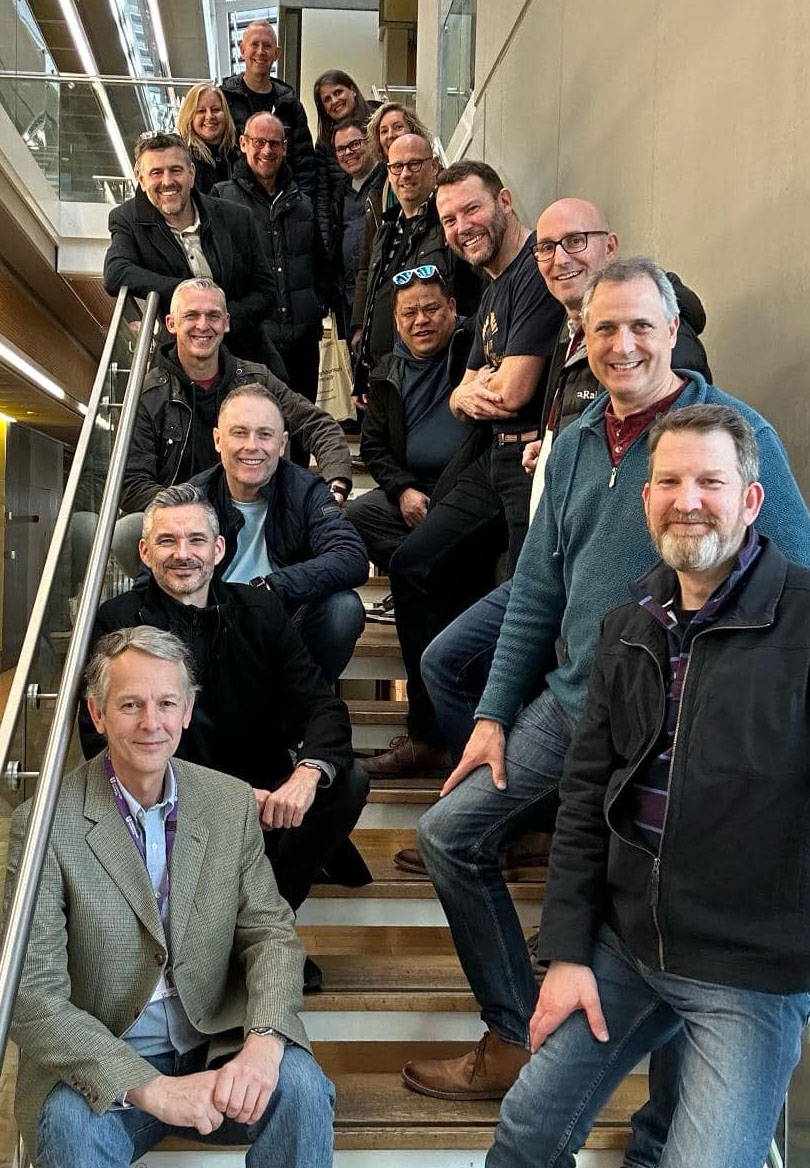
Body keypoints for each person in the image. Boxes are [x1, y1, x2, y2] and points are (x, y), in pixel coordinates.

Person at [401, 259, 810, 1156]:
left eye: (640, 327)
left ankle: (664, 1131)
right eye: (602, 330)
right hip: (583, 697)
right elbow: (537, 591)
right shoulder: (581, 438)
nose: (621, 345)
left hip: (700, 724)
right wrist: (493, 715)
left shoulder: (740, 440)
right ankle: (515, 1026)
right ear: (579, 343)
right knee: (449, 834)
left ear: (672, 333)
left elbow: (790, 583)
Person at [487, 405, 810, 1168]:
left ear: (751, 502)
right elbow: (584, 796)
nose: (686, 499)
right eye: (668, 481)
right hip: (627, 947)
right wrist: (566, 951)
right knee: (526, 1130)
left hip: (749, 974)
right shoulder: (627, 625)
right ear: (645, 499)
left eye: (710, 481)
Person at [6, 626, 334, 1168]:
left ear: (187, 711)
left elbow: (270, 935)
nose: (151, 723)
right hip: (107, 1058)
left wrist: (264, 1041)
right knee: (67, 1126)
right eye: (130, 704)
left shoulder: (227, 803)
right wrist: (146, 1087)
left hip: (214, 1044)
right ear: (96, 713)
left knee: (301, 1089)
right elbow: (32, 995)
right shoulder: (44, 825)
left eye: (165, 703)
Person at [422, 197, 711, 762]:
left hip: (619, 598)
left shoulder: (672, 357)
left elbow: (670, 437)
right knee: (447, 659)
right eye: (546, 249)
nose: (558, 259)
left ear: (610, 245)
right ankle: (506, 786)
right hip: (550, 549)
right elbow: (599, 428)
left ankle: (530, 804)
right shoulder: (566, 330)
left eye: (575, 242)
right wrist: (554, 446)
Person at [82, 485, 369, 990]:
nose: (183, 554)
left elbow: (320, 705)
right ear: (145, 552)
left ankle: (265, 928)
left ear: (218, 550)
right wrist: (228, 799)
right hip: (167, 800)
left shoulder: (261, 610)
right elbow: (102, 739)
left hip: (267, 801)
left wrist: (306, 773)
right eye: (167, 541)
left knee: (347, 781)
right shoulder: (117, 621)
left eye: (196, 539)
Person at [366, 160, 563, 780]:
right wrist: (471, 392)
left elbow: (510, 388)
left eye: (471, 210)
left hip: (526, 460)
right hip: (490, 455)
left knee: (522, 604)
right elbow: (467, 390)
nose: (459, 227)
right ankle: (432, 736)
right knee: (414, 562)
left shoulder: (533, 270)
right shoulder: (495, 287)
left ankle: (504, 781)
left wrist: (480, 390)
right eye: (448, 218)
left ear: (504, 200)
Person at [112, 278, 353, 579]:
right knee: (127, 531)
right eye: (192, 316)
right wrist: (195, 513)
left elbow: (317, 424)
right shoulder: (147, 395)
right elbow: (133, 483)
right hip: (185, 524)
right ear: (171, 324)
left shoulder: (256, 379)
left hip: (257, 513)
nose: (203, 325)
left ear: (226, 323)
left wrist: (336, 482)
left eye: (213, 316)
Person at [193, 383, 368, 684]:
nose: (252, 446)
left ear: (283, 443)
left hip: (283, 631)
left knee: (344, 608)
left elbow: (351, 556)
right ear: (217, 440)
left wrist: (269, 589)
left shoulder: (305, 490)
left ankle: (303, 707)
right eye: (239, 433)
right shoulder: (195, 496)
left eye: (265, 434)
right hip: (213, 631)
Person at [103, 132, 279, 371]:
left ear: (191, 174)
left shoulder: (236, 217)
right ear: (140, 178)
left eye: (175, 170)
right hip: (181, 369)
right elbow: (116, 273)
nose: (167, 181)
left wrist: (219, 319)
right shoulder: (126, 219)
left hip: (248, 358)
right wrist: (190, 295)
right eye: (156, 172)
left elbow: (266, 293)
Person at [346, 267, 470, 577]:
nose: (420, 321)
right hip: (417, 495)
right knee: (359, 514)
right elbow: (373, 447)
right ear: (398, 322)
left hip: (469, 492)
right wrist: (403, 491)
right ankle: (427, 579)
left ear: (452, 307)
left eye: (431, 309)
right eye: (409, 313)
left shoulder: (476, 348)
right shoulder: (386, 372)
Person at [213, 113, 329, 411]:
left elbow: (318, 264)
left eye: (274, 144)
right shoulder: (222, 200)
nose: (267, 151)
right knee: (251, 426)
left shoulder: (302, 203)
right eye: (259, 142)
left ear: (285, 148)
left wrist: (316, 307)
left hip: (301, 342)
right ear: (243, 143)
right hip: (249, 341)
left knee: (301, 427)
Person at [353, 132, 482, 397]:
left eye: (415, 164)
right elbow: (373, 295)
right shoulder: (386, 228)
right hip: (385, 373)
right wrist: (363, 370)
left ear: (433, 166)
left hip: (436, 376)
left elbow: (475, 299)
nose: (405, 174)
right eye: (397, 167)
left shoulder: (450, 227)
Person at [350, 102, 434, 359]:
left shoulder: (443, 205)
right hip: (384, 343)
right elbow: (368, 267)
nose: (390, 134)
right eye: (383, 130)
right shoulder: (376, 195)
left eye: (397, 126)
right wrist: (360, 323)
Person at [221, 19, 315, 198]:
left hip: (282, 201)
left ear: (277, 53)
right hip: (236, 202)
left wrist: (303, 206)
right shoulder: (224, 100)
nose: (260, 51)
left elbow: (304, 163)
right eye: (254, 44)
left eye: (267, 45)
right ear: (242, 50)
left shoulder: (290, 105)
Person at [327, 118, 385, 337]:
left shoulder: (388, 182)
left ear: (369, 142)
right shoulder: (340, 194)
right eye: (341, 149)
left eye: (355, 144)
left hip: (379, 295)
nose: (348, 153)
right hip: (348, 300)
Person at [312, 69, 376, 250]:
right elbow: (323, 195)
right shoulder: (324, 143)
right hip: (345, 226)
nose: (334, 101)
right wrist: (327, 244)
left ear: (352, 90)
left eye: (338, 92)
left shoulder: (380, 122)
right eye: (327, 99)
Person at [176, 83, 238, 194]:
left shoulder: (237, 153)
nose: (209, 116)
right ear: (189, 117)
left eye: (215, 110)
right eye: (201, 111)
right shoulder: (184, 160)